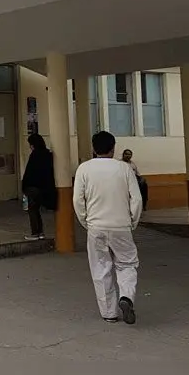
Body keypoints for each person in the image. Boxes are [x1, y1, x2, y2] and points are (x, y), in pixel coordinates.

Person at [73, 131, 143, 325]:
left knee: (100, 268)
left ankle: (109, 313)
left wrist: (85, 222)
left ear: (94, 149)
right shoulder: (124, 168)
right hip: (121, 225)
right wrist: (132, 222)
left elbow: (78, 200)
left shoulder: (84, 169)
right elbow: (136, 199)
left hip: (96, 226)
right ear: (113, 148)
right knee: (127, 264)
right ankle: (126, 297)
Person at [21, 133, 56, 240]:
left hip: (33, 187)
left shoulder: (35, 155)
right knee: (36, 210)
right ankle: (40, 232)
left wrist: (24, 187)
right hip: (45, 187)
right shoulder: (48, 154)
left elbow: (29, 173)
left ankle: (35, 233)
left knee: (32, 210)